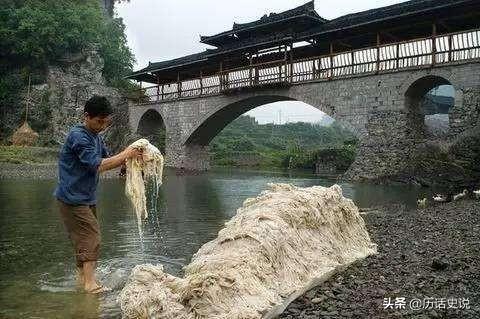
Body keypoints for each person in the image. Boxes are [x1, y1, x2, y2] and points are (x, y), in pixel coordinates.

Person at [54, 95, 142, 294]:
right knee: (91, 235)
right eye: (99, 121)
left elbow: (108, 159)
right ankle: (90, 284)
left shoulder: (96, 137)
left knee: (83, 238)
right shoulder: (79, 136)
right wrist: (127, 153)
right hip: (72, 198)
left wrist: (130, 162)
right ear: (87, 116)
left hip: (86, 197)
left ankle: (82, 278)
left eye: (106, 122)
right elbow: (97, 164)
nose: (103, 125)